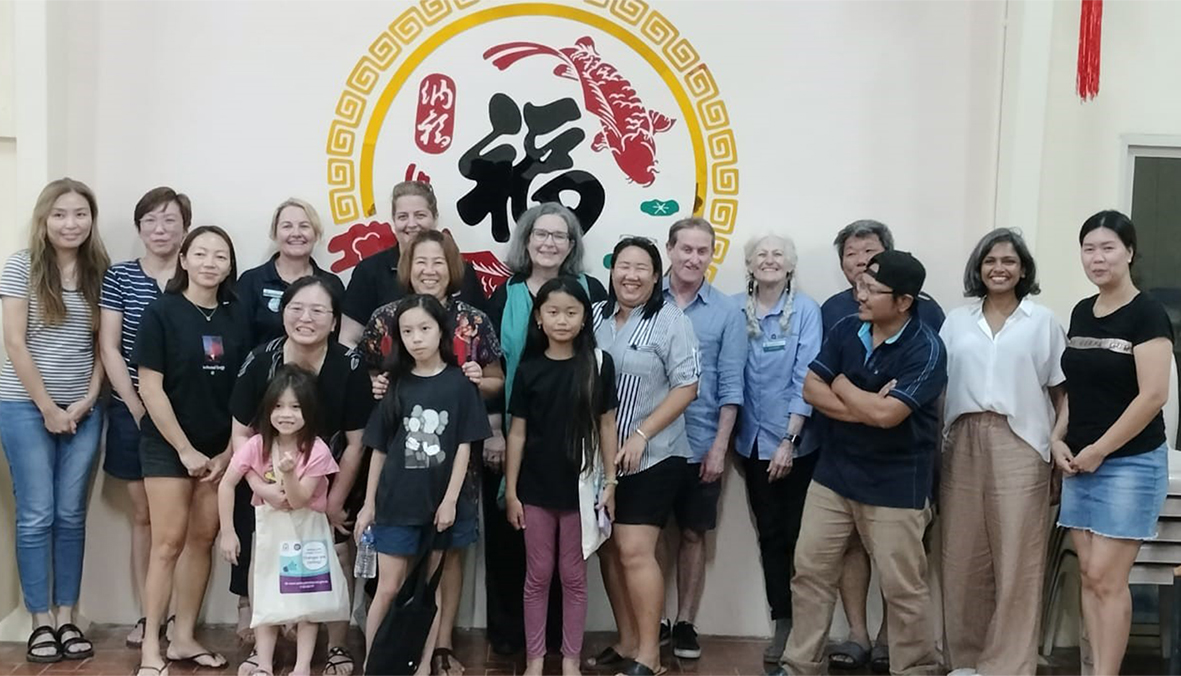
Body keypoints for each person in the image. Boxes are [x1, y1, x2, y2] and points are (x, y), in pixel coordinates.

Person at [777, 250, 946, 676]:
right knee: (810, 572)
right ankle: (799, 665)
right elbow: (812, 388)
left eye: (872, 289)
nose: (860, 294)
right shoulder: (847, 328)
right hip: (834, 475)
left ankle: (916, 669)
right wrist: (862, 401)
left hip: (895, 483)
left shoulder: (926, 349)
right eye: (860, 285)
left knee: (903, 588)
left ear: (904, 301)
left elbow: (890, 417)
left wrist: (841, 383)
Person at [357, 229, 504, 676]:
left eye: (438, 261)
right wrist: (376, 384)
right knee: (391, 580)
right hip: (399, 487)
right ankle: (378, 662)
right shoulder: (386, 317)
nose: (429, 269)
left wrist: (478, 380)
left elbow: (495, 383)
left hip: (450, 483)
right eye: (420, 261)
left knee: (441, 571)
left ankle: (434, 652)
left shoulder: (473, 322)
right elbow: (365, 377)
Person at [229, 276, 374, 676]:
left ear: (334, 321)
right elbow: (241, 432)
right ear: (283, 312)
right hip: (266, 482)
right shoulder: (262, 360)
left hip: (333, 479)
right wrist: (261, 486)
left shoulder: (351, 364)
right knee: (267, 560)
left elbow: (358, 441)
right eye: (296, 308)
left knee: (334, 556)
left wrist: (333, 503)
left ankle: (338, 648)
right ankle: (263, 654)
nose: (305, 318)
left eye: (317, 311)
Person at [939, 228, 1066, 675]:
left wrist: (1056, 447)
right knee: (961, 556)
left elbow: (1061, 392)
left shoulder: (1042, 320)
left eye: (1009, 261)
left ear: (1023, 269)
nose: (999, 268)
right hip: (962, 439)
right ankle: (965, 660)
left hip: (1022, 442)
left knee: (1018, 559)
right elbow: (937, 386)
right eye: (990, 260)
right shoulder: (955, 321)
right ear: (978, 268)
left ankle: (1008, 664)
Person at [1053, 211, 1173, 676]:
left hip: (1130, 462)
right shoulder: (1083, 311)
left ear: (1129, 253)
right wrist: (1056, 436)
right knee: (1088, 577)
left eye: (1107, 248)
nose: (1097, 258)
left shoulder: (1147, 314)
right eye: (1089, 248)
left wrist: (1101, 448)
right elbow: (1077, 388)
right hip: (1080, 462)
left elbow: (1154, 395)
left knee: (1107, 577)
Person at [485, 202, 607, 656]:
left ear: (572, 245)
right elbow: (492, 363)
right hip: (515, 433)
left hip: (574, 440)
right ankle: (511, 637)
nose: (549, 243)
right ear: (527, 240)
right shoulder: (505, 293)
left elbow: (599, 362)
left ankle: (561, 642)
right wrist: (495, 429)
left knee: (568, 555)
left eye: (560, 236)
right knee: (512, 540)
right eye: (541, 234)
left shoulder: (591, 289)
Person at [0, 178, 109, 663]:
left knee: (70, 516)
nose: (71, 223)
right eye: (61, 214)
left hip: (84, 409)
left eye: (80, 214)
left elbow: (104, 348)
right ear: (45, 220)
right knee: (36, 515)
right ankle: (40, 620)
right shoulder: (20, 266)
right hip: (25, 406)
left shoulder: (100, 271)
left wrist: (85, 400)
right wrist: (47, 407)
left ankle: (67, 616)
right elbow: (15, 342)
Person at [134, 225, 250, 676]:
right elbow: (150, 387)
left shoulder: (236, 317)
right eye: (200, 253)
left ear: (228, 266)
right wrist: (183, 449)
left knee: (202, 540)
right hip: (168, 447)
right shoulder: (161, 312)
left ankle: (183, 638)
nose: (209, 262)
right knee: (166, 544)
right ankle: (151, 647)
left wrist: (226, 453)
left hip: (219, 449)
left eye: (219, 256)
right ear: (183, 259)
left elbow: (245, 391)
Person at [588, 237, 699, 676]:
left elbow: (687, 386)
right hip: (601, 458)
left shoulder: (672, 321)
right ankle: (627, 640)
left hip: (653, 454)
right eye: (622, 266)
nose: (630, 275)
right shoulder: (594, 316)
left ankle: (650, 656)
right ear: (611, 270)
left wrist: (639, 434)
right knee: (609, 551)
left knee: (634, 550)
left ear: (657, 276)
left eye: (641, 268)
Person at [504, 277, 620, 676]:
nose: (562, 320)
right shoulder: (529, 369)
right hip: (534, 489)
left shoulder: (598, 364)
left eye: (572, 312)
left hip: (581, 489)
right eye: (553, 312)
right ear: (538, 317)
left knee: (573, 577)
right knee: (537, 576)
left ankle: (570, 660)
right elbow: (516, 432)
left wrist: (610, 483)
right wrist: (512, 492)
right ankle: (535, 660)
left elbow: (607, 426)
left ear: (585, 317)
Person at [98, 186, 191, 648]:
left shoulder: (196, 273)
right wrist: (137, 408)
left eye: (170, 220)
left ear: (185, 228)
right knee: (144, 517)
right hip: (129, 411)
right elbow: (110, 348)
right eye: (151, 220)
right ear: (139, 228)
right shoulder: (119, 277)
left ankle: (179, 621)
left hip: (188, 415)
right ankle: (148, 615)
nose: (160, 229)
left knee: (182, 525)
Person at [731, 233, 822, 663]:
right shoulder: (735, 309)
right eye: (760, 255)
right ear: (749, 265)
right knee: (769, 535)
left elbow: (807, 376)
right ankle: (781, 622)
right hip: (749, 444)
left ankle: (808, 632)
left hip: (796, 446)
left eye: (777, 255)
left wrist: (789, 439)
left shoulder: (806, 311)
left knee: (799, 538)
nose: (769, 261)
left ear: (790, 265)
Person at [657, 217, 745, 659]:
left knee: (693, 534)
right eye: (685, 249)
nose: (693, 258)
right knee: (647, 533)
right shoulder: (644, 299)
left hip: (701, 440)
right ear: (669, 250)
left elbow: (731, 386)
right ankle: (651, 619)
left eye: (702, 251)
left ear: (712, 255)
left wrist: (719, 448)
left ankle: (686, 622)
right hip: (648, 441)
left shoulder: (727, 311)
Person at [219, 365, 341, 676]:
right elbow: (227, 483)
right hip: (270, 535)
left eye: (296, 407)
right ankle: (263, 664)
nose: (286, 414)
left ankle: (301, 667)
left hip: (309, 535)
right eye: (278, 406)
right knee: (267, 598)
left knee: (308, 602)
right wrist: (229, 532)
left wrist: (287, 473)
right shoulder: (256, 445)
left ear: (309, 411)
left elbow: (299, 499)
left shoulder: (317, 450)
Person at [340, 181, 486, 347]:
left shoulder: (462, 270)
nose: (411, 224)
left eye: (420, 215)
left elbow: (482, 335)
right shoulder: (369, 271)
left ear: (435, 218)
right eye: (403, 217)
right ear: (394, 221)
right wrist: (368, 374)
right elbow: (349, 339)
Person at [236, 198, 345, 346]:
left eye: (304, 226)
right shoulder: (251, 281)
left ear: (316, 234)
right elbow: (239, 340)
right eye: (287, 226)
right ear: (275, 234)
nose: (296, 233)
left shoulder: (332, 284)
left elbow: (338, 339)